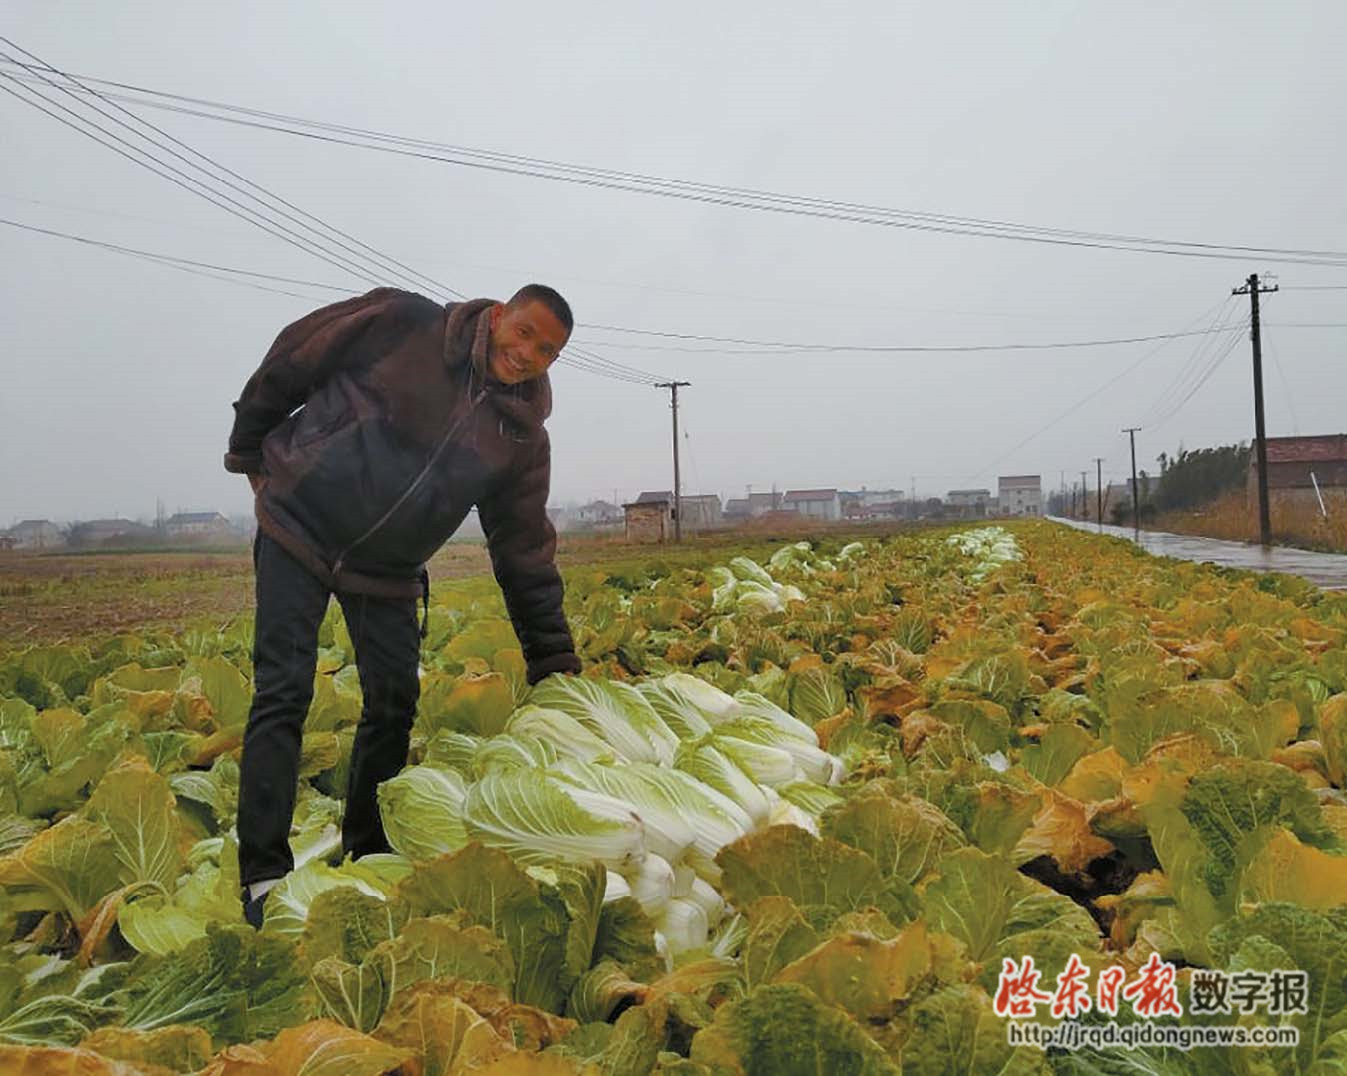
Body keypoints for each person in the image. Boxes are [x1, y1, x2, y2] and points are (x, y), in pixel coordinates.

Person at [223, 284, 582, 927]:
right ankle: (264, 875)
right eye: (525, 332)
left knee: (393, 705)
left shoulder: (519, 437)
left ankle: (367, 847)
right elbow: (297, 355)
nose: (528, 353)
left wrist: (553, 659)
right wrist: (251, 449)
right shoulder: (405, 323)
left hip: (386, 570)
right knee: (283, 691)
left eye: (547, 350)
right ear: (500, 315)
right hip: (298, 525)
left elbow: (524, 549)